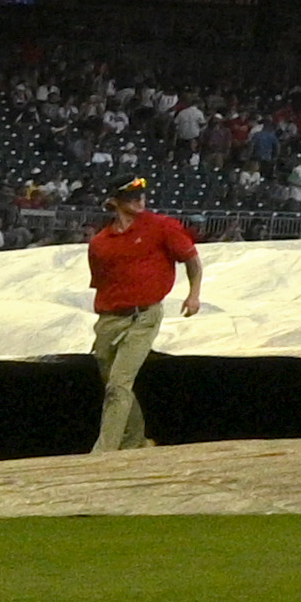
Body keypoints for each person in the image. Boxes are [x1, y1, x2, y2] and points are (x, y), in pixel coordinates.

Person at [84, 174, 205, 455]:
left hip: (144, 315)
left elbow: (192, 260)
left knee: (119, 382)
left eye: (141, 195)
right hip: (111, 318)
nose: (140, 200)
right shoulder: (101, 243)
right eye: (131, 196)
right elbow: (102, 282)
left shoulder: (161, 226)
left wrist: (194, 294)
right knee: (114, 384)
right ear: (114, 202)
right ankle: (135, 440)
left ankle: (104, 452)